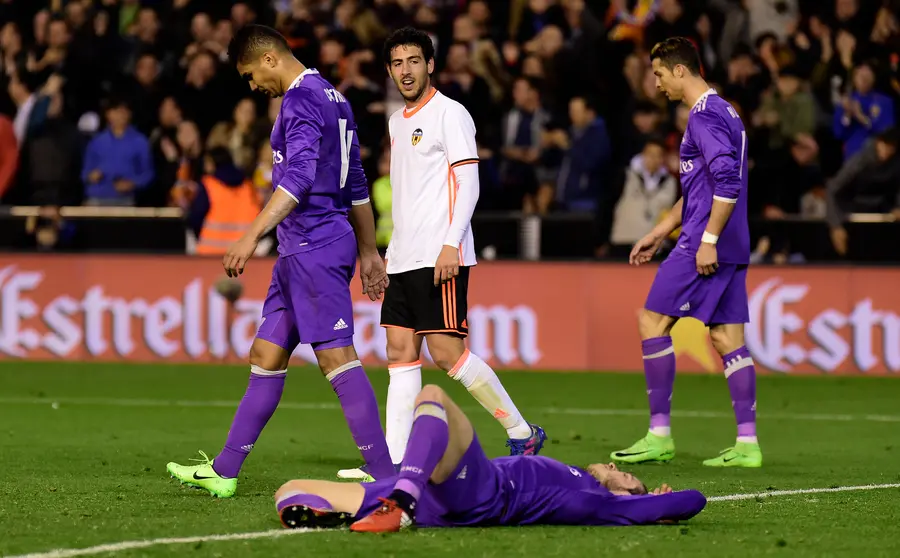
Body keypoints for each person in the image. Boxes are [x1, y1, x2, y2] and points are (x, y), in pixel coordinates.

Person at [166, 24, 395, 497]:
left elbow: (301, 178)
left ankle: (387, 475)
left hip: (315, 244)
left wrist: (250, 236)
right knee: (266, 354)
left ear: (269, 59)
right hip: (300, 249)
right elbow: (354, 181)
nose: (253, 86)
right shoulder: (334, 98)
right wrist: (369, 249)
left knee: (335, 357)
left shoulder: (300, 99)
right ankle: (225, 472)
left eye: (251, 75)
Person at [338, 27, 545, 484]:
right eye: (397, 63)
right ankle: (389, 465)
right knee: (398, 350)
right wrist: (385, 256)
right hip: (404, 255)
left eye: (414, 61)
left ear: (430, 65)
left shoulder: (452, 114)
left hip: (440, 252)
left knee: (447, 352)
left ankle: (521, 429)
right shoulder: (396, 122)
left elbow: (468, 183)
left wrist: (452, 243)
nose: (405, 71)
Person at [611, 37, 761, 468]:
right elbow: (702, 190)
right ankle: (747, 445)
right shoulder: (725, 111)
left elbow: (728, 184)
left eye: (659, 74)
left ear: (680, 71)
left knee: (651, 321)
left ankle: (659, 435)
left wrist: (706, 240)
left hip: (704, 240)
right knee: (727, 337)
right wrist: (659, 232)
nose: (656, 84)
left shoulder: (704, 117)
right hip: (730, 240)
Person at [276, 384, 707, 532]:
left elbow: (694, 500)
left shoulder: (601, 502)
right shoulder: (592, 487)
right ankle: (351, 512)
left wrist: (658, 505)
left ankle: (400, 504)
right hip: (438, 502)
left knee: (433, 396)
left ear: (630, 497)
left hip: (483, 491)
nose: (615, 467)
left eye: (627, 476)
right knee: (291, 489)